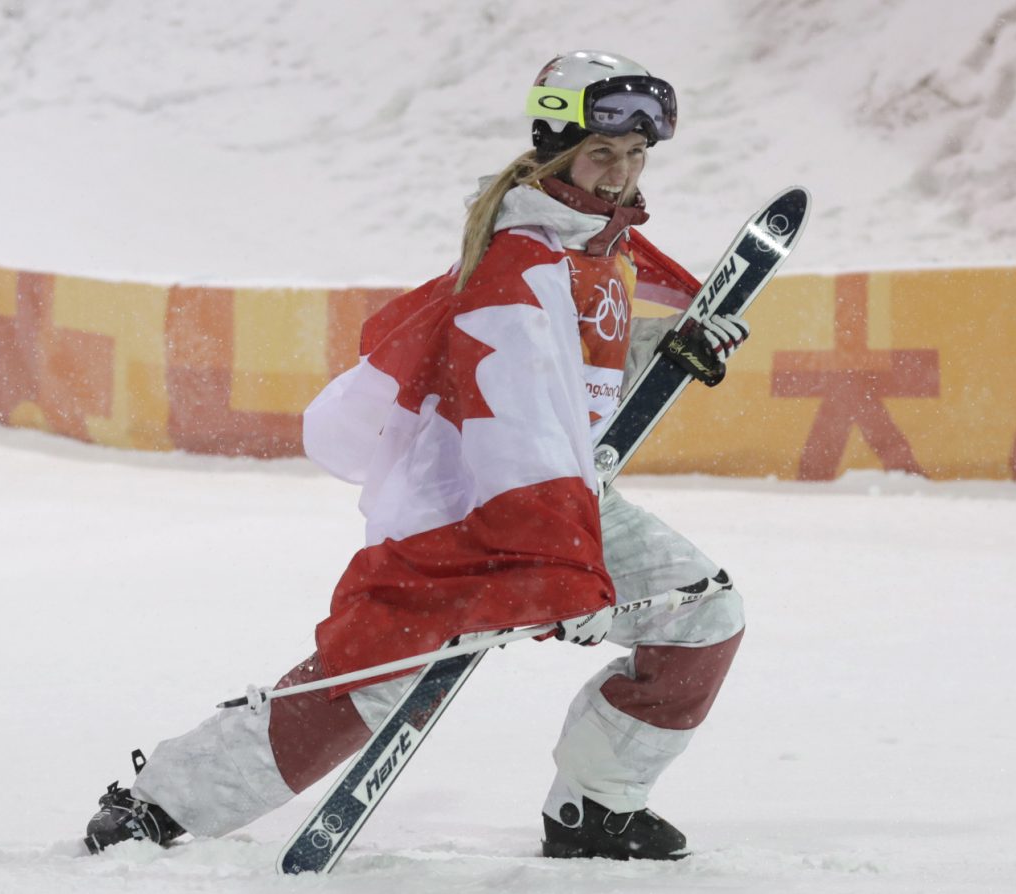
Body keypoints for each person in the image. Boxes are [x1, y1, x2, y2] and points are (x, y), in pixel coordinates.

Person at [83, 49, 749, 863]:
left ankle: (596, 807)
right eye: (603, 153)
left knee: (704, 615)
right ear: (557, 151)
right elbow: (518, 431)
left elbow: (568, 380)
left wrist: (662, 346)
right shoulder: (521, 267)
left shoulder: (593, 251)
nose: (622, 174)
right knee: (367, 683)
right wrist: (558, 568)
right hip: (475, 511)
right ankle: (160, 804)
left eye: (637, 155)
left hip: (562, 503)